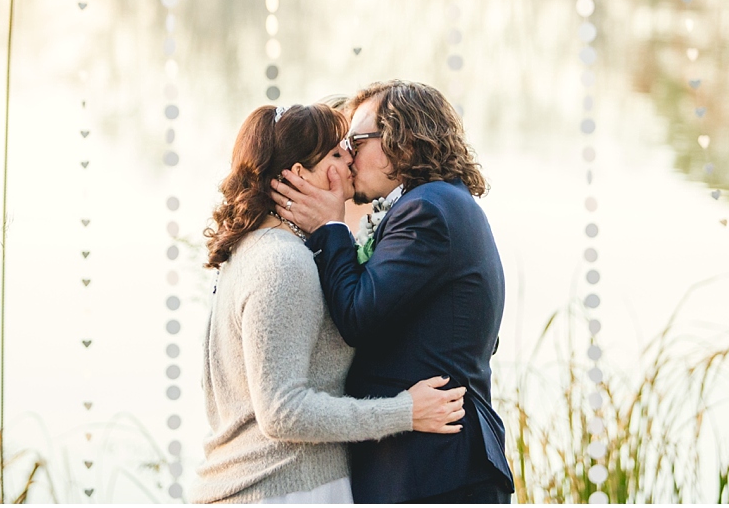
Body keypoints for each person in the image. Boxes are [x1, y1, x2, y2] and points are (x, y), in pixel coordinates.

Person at [193, 103, 466, 504]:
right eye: (337, 153)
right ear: (300, 175)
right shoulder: (283, 262)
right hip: (285, 488)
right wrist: (404, 411)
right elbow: (283, 412)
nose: (351, 160)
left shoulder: (251, 251)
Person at [271, 81, 515, 504]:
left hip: (431, 470)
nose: (347, 156)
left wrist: (330, 228)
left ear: (399, 140)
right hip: (437, 466)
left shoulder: (426, 212)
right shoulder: (446, 203)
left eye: (356, 140)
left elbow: (358, 317)